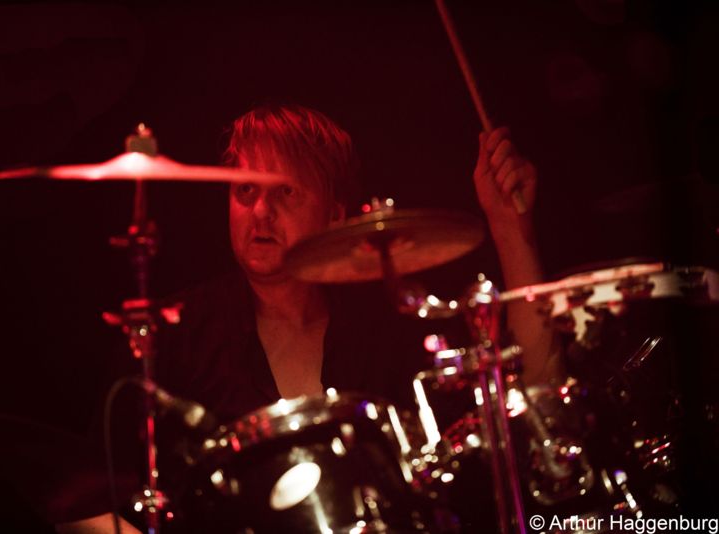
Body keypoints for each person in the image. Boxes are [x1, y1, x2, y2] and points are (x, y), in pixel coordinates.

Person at [55, 104, 558, 533]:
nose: (261, 212)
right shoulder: (170, 336)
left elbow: (533, 405)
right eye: (244, 192)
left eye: (285, 193)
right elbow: (79, 502)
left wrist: (510, 227)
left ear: (336, 214)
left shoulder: (392, 330)